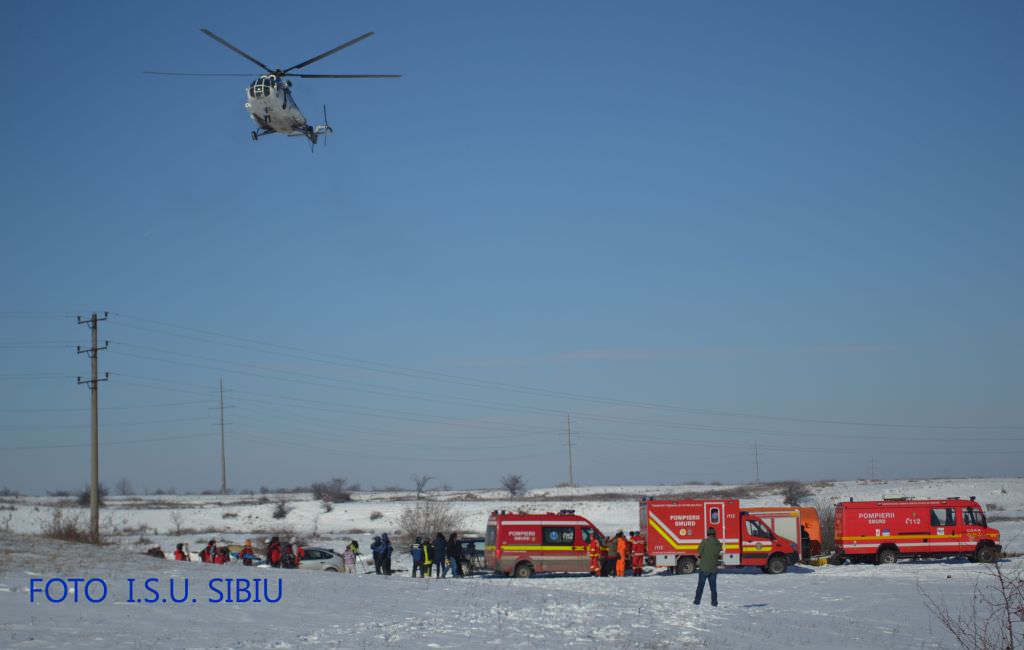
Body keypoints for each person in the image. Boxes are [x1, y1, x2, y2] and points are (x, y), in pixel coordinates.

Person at [694, 527, 722, 607]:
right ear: (714, 534)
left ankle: (697, 601)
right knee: (713, 588)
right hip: (713, 568)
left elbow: (698, 552)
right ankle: (714, 603)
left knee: (700, 586)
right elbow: (718, 552)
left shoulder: (705, 542)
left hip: (704, 568)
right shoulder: (718, 543)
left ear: (707, 534)